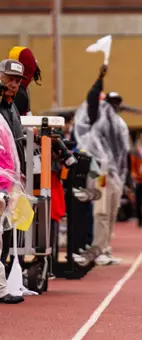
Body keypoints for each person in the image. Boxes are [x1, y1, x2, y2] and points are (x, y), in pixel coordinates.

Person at [73, 64, 131, 266]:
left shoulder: (120, 126)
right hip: (101, 172)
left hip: (117, 175)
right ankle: (98, 250)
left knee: (112, 211)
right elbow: (92, 98)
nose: (114, 105)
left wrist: (128, 180)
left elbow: (125, 155)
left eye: (117, 102)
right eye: (111, 102)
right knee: (102, 211)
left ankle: (105, 248)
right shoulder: (96, 118)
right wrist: (100, 78)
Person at [0, 59, 26, 304]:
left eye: (17, 81)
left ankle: (4, 281)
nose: (13, 84)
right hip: (1, 178)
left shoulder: (12, 107)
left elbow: (16, 143)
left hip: (12, 178)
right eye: (9, 78)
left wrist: (21, 172)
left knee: (7, 232)